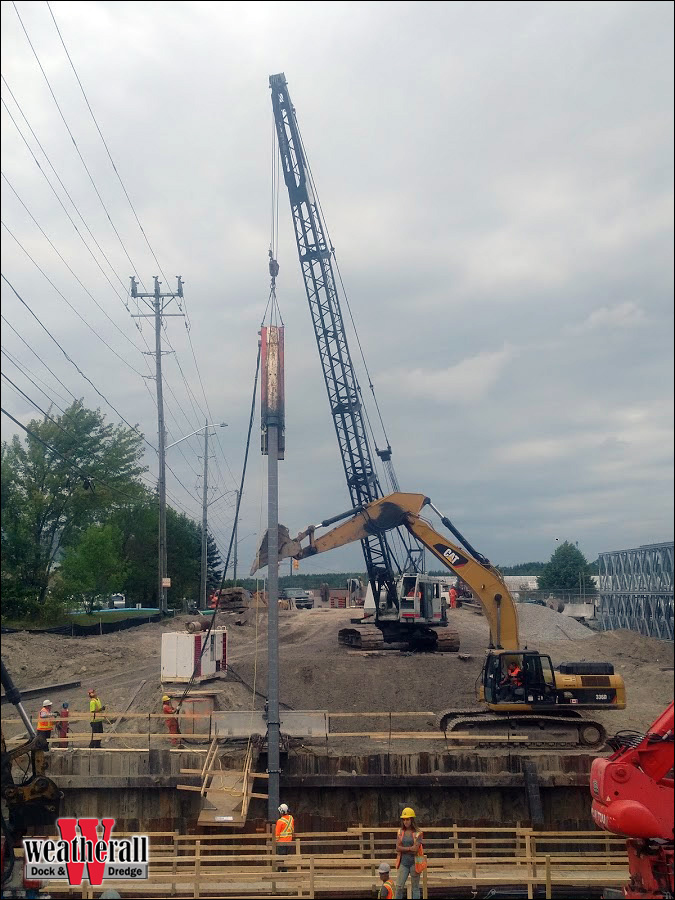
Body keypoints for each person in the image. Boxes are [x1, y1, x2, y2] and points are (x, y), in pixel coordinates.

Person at [395, 807, 423, 899]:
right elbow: (397, 848)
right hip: (404, 863)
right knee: (399, 887)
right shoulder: (400, 832)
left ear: (412, 820)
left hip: (415, 863)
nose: (405, 821)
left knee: (415, 888)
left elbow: (415, 849)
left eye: (407, 819)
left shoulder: (418, 833)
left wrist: (404, 848)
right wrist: (409, 848)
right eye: (404, 819)